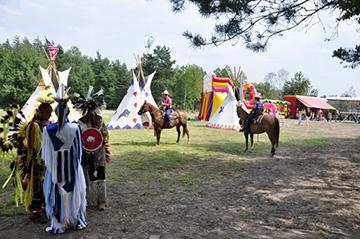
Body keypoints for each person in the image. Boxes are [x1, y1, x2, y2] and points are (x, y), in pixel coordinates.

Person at [42, 86, 87, 234]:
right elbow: (79, 152)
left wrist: (54, 167)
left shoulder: (47, 130)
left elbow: (46, 155)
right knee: (74, 193)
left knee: (56, 193)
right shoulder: (75, 128)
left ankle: (58, 223)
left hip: (54, 171)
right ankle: (75, 220)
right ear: (68, 112)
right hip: (73, 169)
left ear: (55, 113)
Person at [74, 87, 111, 211]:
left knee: (100, 176)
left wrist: (103, 134)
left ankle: (102, 201)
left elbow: (105, 135)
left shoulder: (99, 121)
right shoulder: (80, 122)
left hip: (99, 153)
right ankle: (87, 199)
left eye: (92, 109)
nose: (90, 111)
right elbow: (78, 138)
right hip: (85, 154)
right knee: (87, 176)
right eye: (88, 109)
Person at [21, 96, 53, 221]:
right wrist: (40, 159)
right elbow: (33, 146)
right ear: (40, 112)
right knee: (36, 185)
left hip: (47, 160)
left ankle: (46, 207)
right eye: (47, 113)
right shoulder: (33, 126)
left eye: (50, 113)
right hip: (36, 161)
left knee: (46, 183)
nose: (49, 115)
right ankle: (36, 210)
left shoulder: (49, 124)